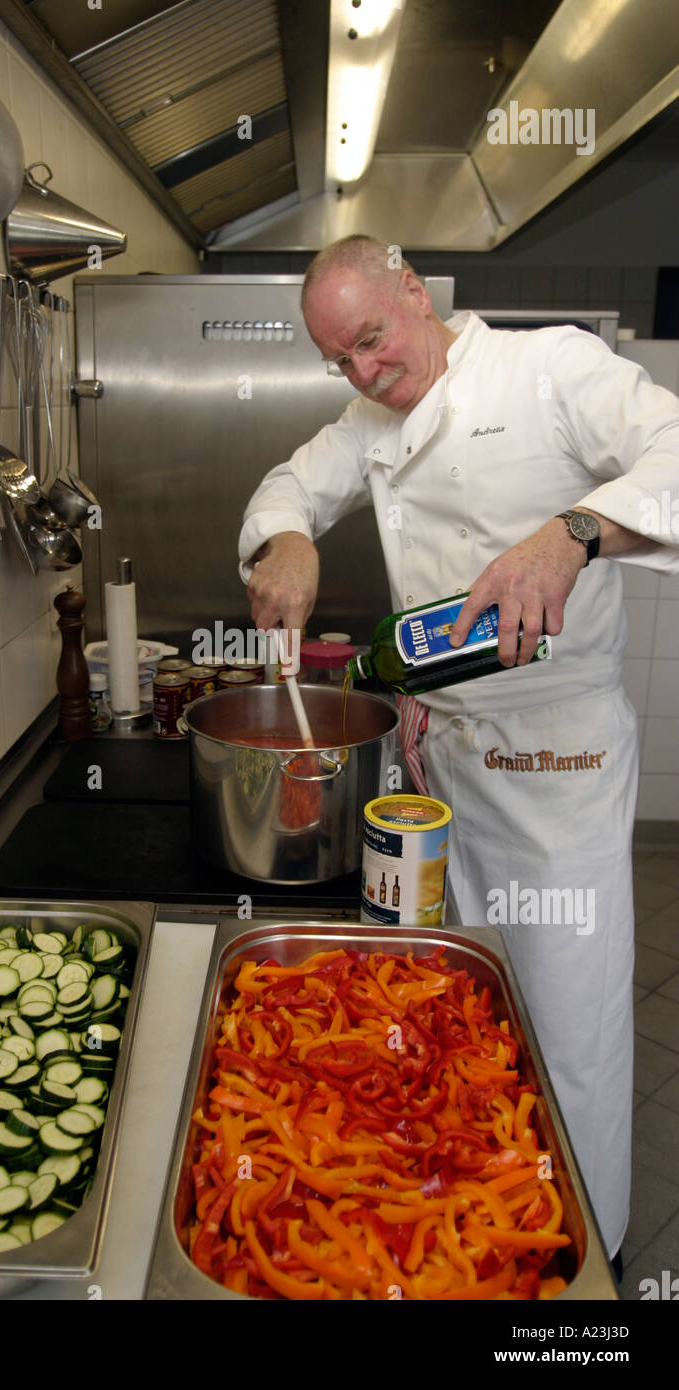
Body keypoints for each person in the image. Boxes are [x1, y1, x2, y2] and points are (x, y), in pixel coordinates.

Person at [238, 234, 679, 1268]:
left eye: (371, 339)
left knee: (563, 1025)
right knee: (458, 1013)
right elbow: (281, 488)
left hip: (555, 765)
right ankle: (477, 1234)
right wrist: (289, 537)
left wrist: (570, 531)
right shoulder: (365, 422)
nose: (361, 372)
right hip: (443, 761)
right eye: (336, 360)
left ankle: (582, 1260)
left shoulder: (547, 367)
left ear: (410, 288)